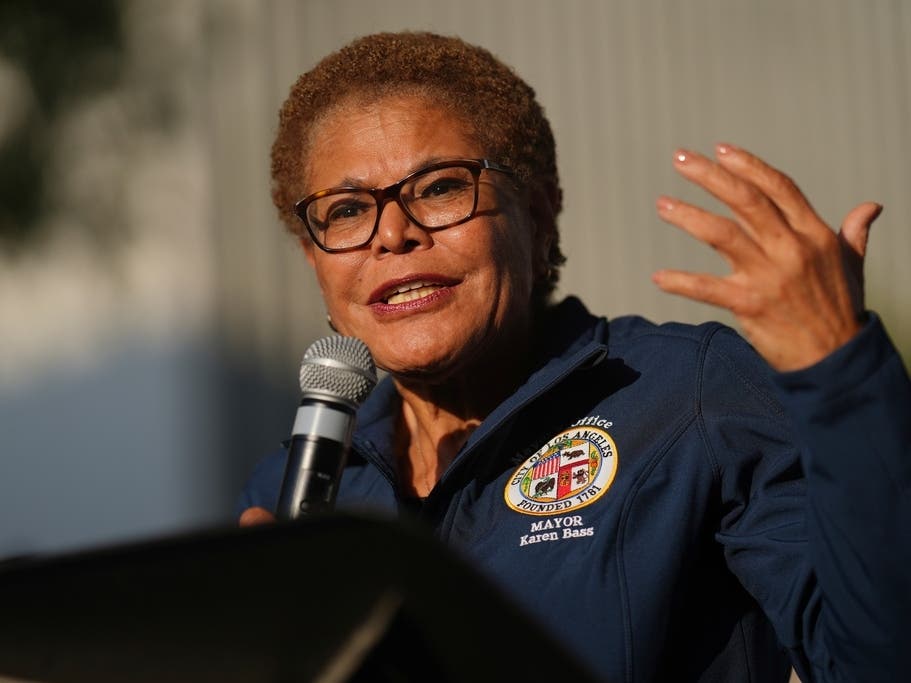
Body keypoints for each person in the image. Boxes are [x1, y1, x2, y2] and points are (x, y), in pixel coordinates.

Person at [237, 31, 910, 682]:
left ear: (538, 214)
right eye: (347, 209)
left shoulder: (688, 393)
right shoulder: (293, 493)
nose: (392, 233)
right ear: (313, 256)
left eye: (440, 187)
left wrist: (840, 374)